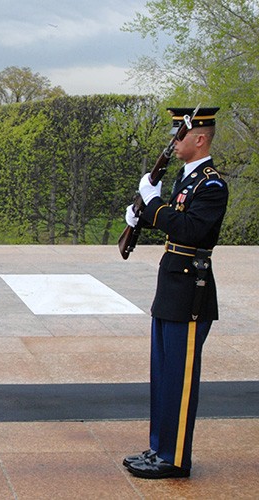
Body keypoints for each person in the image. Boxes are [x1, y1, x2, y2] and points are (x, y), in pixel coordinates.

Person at [122, 107, 228, 479]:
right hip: (171, 289)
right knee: (164, 375)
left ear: (200, 139)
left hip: (191, 294)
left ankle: (176, 458)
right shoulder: (186, 180)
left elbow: (190, 229)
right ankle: (159, 449)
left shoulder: (211, 184)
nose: (174, 142)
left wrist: (153, 206)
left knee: (180, 382)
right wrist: (143, 215)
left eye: (179, 136)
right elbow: (174, 222)